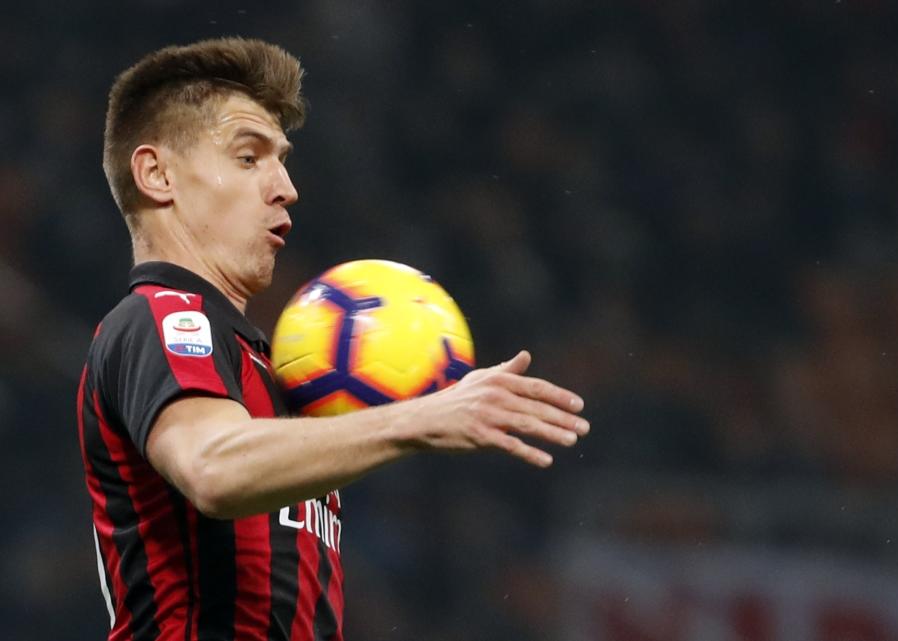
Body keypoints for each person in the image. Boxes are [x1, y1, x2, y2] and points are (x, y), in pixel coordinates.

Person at [77, 37, 589, 641]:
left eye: (283, 161)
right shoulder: (161, 318)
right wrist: (417, 419)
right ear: (157, 174)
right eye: (249, 158)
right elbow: (212, 468)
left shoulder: (265, 372)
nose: (286, 187)